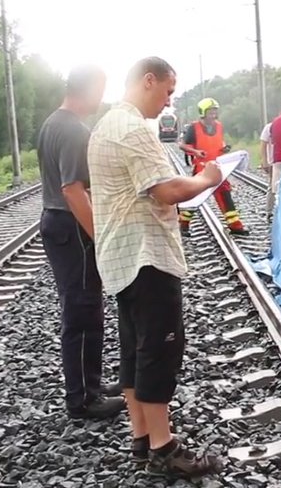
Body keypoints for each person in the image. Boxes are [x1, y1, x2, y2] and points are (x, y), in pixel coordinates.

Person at [87, 57, 223, 478]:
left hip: (122, 257)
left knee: (134, 351)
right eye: (167, 90)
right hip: (146, 256)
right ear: (149, 80)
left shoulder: (106, 125)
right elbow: (166, 191)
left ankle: (142, 440)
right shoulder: (131, 129)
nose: (169, 101)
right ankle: (166, 451)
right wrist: (208, 179)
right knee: (159, 351)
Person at [36, 64, 126, 420]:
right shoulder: (73, 130)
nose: (102, 98)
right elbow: (72, 190)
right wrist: (99, 236)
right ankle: (83, 400)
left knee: (81, 307)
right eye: (100, 90)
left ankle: (91, 384)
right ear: (87, 89)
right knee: (83, 310)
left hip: (56, 223)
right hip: (71, 226)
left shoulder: (51, 122)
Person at [177, 98, 249, 236]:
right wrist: (196, 152)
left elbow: (219, 142)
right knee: (194, 195)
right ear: (203, 112)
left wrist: (224, 148)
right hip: (202, 168)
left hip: (218, 166)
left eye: (215, 112)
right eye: (210, 112)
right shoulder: (194, 128)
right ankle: (183, 224)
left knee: (224, 193)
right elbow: (182, 145)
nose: (213, 115)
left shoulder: (219, 126)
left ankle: (235, 226)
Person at [259, 120, 275, 215]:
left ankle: (270, 210)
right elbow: (263, 144)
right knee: (272, 186)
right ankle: (269, 210)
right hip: (272, 161)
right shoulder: (269, 127)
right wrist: (264, 161)